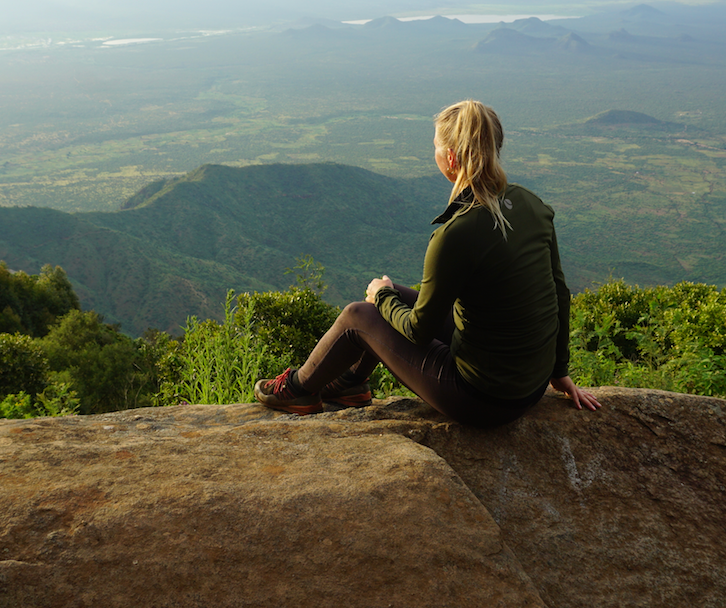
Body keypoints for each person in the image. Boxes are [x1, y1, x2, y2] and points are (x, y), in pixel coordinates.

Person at [254, 98, 601, 427]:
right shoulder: (531, 204)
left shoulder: (455, 234)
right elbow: (560, 293)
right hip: (530, 388)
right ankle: (351, 384)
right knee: (398, 295)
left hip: (482, 400)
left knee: (359, 314)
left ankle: (296, 390)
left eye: (435, 146)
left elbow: (419, 332)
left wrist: (381, 296)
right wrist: (559, 371)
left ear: (450, 158)